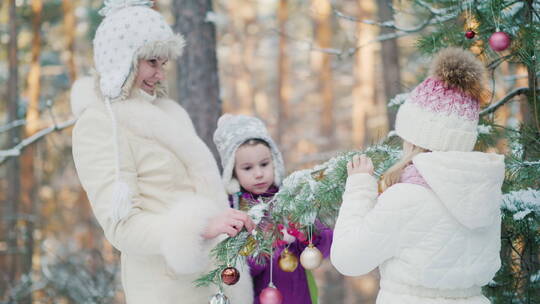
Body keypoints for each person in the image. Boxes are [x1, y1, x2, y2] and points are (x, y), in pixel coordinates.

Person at [70, 1, 254, 303]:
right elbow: (122, 226)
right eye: (152, 62)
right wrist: (197, 228)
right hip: (167, 288)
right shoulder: (101, 124)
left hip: (216, 278)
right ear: (123, 59)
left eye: (163, 64)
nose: (160, 74)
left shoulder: (169, 112)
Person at [331, 48, 505, 304]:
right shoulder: (483, 193)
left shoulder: (407, 197)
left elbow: (349, 259)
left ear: (414, 136)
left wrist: (359, 188)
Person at [213, 114, 333, 304]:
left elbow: (324, 248)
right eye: (247, 168)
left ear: (274, 162)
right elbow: (233, 273)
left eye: (264, 164)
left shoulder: (290, 199)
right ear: (233, 172)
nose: (259, 173)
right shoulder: (232, 213)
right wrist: (263, 245)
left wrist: (305, 233)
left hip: (300, 297)